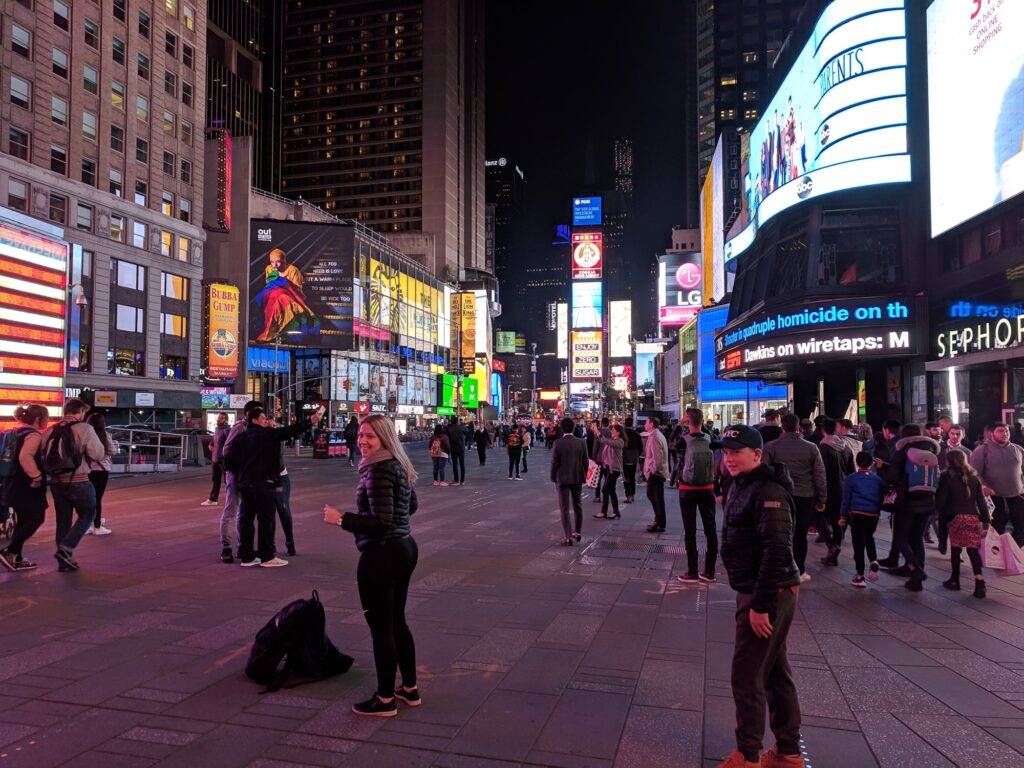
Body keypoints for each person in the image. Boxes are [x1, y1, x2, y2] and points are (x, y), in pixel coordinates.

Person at [714, 425, 803, 768]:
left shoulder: (767, 491)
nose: (729, 458)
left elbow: (778, 549)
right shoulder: (743, 484)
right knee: (775, 671)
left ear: (757, 454)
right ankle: (789, 753)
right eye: (726, 451)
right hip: (759, 588)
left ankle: (746, 757)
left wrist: (761, 605)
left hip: (767, 591)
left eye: (736, 451)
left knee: (747, 674)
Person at [322, 415, 419, 717]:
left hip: (382, 555)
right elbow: (410, 506)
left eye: (370, 437)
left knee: (382, 630)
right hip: (404, 547)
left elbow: (381, 522)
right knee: (397, 622)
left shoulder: (378, 470)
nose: (362, 441)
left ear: (385, 439)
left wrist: (340, 519)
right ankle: (409, 689)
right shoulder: (397, 465)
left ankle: (386, 699)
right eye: (361, 435)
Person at [230, 406, 319, 567]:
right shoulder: (267, 435)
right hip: (264, 483)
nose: (266, 421)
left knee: (246, 519)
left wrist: (242, 474)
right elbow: (289, 431)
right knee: (266, 519)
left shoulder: (240, 438)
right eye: (263, 418)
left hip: (245, 484)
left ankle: (247, 556)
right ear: (255, 420)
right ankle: (267, 556)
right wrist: (309, 422)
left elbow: (228, 461)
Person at [43, 398, 106, 572]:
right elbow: (98, 453)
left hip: (56, 483)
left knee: (63, 520)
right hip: (79, 481)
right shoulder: (85, 428)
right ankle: (67, 548)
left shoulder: (51, 430)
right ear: (80, 412)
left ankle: (64, 563)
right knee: (88, 513)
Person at [763, 413, 826, 583]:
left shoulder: (770, 447)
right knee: (800, 533)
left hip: (779, 495)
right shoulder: (812, 447)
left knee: (779, 533)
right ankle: (799, 570)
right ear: (799, 427)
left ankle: (779, 568)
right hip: (805, 496)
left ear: (782, 427)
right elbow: (819, 476)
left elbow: (765, 473)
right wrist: (822, 499)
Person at [884, 424, 940, 591]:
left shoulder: (903, 450)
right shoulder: (931, 450)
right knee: (917, 539)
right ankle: (916, 580)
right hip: (928, 500)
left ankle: (917, 570)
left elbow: (892, 477)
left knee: (901, 538)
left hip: (906, 501)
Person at [0, 404, 50, 572]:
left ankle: (16, 557)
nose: (47, 421)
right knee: (37, 517)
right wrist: (36, 476)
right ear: (38, 419)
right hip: (26, 484)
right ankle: (10, 550)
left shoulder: (13, 432)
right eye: (46, 418)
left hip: (10, 482)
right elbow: (25, 456)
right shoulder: (33, 435)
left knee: (23, 519)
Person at [937, 449, 990, 598]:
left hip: (955, 518)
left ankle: (955, 580)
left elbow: (941, 501)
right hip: (973, 518)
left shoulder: (946, 477)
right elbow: (981, 501)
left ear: (949, 461)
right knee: (972, 550)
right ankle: (980, 582)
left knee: (956, 549)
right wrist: (986, 520)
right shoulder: (974, 477)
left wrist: (937, 510)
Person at [676, 408, 719, 583]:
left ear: (687, 421)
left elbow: (673, 443)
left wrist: (679, 426)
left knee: (690, 531)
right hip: (708, 488)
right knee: (711, 530)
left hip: (687, 490)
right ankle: (709, 572)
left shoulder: (683, 441)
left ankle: (692, 571)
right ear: (702, 421)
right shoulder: (711, 438)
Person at [218, 400, 262, 564]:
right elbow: (226, 449)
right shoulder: (240, 427)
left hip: (249, 476)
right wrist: (236, 467)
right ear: (248, 414)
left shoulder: (257, 429)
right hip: (237, 475)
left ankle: (243, 547)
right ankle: (226, 547)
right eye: (257, 413)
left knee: (244, 513)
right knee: (231, 510)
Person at [971, 422, 1024, 547]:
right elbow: (974, 473)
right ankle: (997, 555)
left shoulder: (1018, 449)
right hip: (995, 496)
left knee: (1021, 526)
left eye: (1006, 431)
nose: (1004, 434)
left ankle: (1014, 553)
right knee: (998, 528)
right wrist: (983, 487)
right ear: (991, 433)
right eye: (1000, 431)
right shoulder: (982, 450)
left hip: (1017, 494)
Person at [838, 451, 885, 588]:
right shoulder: (877, 479)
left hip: (857, 514)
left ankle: (860, 576)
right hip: (873, 515)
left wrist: (843, 517)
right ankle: (873, 560)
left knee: (858, 544)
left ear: (857, 463)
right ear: (871, 464)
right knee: (869, 537)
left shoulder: (851, 478)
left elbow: (846, 499)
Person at [254, 247, 319, 342]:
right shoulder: (269, 269)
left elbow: (297, 290)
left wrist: (284, 283)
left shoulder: (293, 270)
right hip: (274, 295)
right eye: (272, 262)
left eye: (278, 262)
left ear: (284, 261)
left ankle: (285, 331)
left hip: (290, 296)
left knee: (283, 299)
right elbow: (269, 285)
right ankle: (269, 328)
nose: (275, 265)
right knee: (263, 297)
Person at [818, 418, 855, 566]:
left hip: (828, 490)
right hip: (843, 489)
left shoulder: (823, 448)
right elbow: (851, 472)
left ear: (823, 431)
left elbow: (820, 473)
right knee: (838, 521)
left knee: (817, 517)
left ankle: (831, 545)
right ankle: (834, 550)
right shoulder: (846, 448)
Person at [550, 417, 589, 546]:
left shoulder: (558, 443)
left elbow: (555, 463)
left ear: (562, 428)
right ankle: (577, 531)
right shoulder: (581, 442)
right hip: (577, 477)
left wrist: (553, 476)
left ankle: (567, 537)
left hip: (562, 478)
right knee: (578, 505)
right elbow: (586, 461)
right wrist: (583, 474)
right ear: (573, 428)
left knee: (564, 508)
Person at [85, 412, 115, 536]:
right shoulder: (105, 435)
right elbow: (112, 450)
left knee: (88, 499)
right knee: (97, 498)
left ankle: (86, 525)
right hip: (101, 470)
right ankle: (97, 526)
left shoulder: (85, 435)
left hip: (87, 470)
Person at [273, 424, 297, 556]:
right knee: (268, 513)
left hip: (280, 477)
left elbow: (278, 461)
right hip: (266, 479)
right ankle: (270, 544)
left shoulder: (278, 439)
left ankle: (290, 541)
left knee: (283, 509)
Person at [644, 417, 670, 532]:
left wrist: (653, 471)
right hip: (656, 472)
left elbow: (657, 458)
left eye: (646, 422)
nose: (645, 424)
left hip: (656, 473)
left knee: (656, 498)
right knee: (653, 496)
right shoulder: (656, 435)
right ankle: (658, 520)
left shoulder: (655, 437)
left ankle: (660, 523)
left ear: (652, 424)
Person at [593, 422, 624, 520]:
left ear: (618, 433)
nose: (611, 431)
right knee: (611, 490)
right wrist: (595, 431)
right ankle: (615, 512)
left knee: (605, 489)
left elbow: (606, 441)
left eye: (613, 430)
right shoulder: (612, 440)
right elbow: (602, 441)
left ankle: (604, 512)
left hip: (614, 469)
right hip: (608, 468)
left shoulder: (620, 442)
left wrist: (598, 432)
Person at [202, 413, 230, 506]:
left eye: (221, 418)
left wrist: (225, 454)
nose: (218, 420)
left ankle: (231, 499)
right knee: (215, 479)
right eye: (218, 418)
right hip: (215, 458)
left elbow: (229, 443)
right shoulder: (217, 429)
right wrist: (211, 443)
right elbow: (216, 439)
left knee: (227, 481)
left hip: (223, 459)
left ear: (226, 420)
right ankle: (213, 499)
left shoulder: (227, 430)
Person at [622, 417, 643, 503]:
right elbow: (641, 447)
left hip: (624, 457)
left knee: (625, 478)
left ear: (625, 423)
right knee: (632, 477)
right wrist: (637, 455)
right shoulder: (637, 434)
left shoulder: (622, 434)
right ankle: (633, 495)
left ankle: (628, 496)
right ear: (632, 424)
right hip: (634, 457)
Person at [446, 418, 466, 486]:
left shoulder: (450, 429)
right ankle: (462, 480)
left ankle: (456, 480)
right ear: (457, 422)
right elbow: (468, 432)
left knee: (455, 464)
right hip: (461, 448)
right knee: (462, 464)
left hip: (453, 448)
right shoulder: (461, 428)